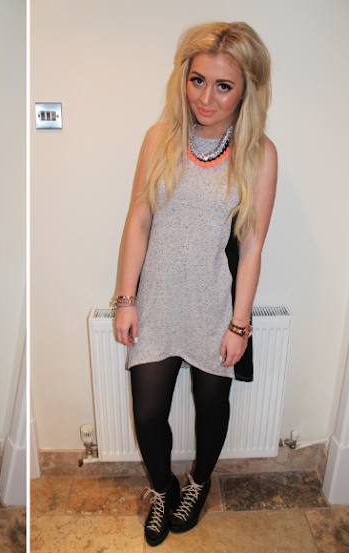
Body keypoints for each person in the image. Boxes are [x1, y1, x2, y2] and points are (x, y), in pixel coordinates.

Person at [114, 22, 277, 547]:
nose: (206, 98)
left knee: (211, 410)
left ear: (247, 91)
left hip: (214, 305)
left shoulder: (259, 154)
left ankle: (200, 482)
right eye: (198, 80)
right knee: (147, 414)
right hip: (157, 301)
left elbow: (252, 247)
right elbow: (139, 220)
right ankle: (164, 488)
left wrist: (239, 325)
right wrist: (125, 299)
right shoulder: (159, 138)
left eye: (223, 86)